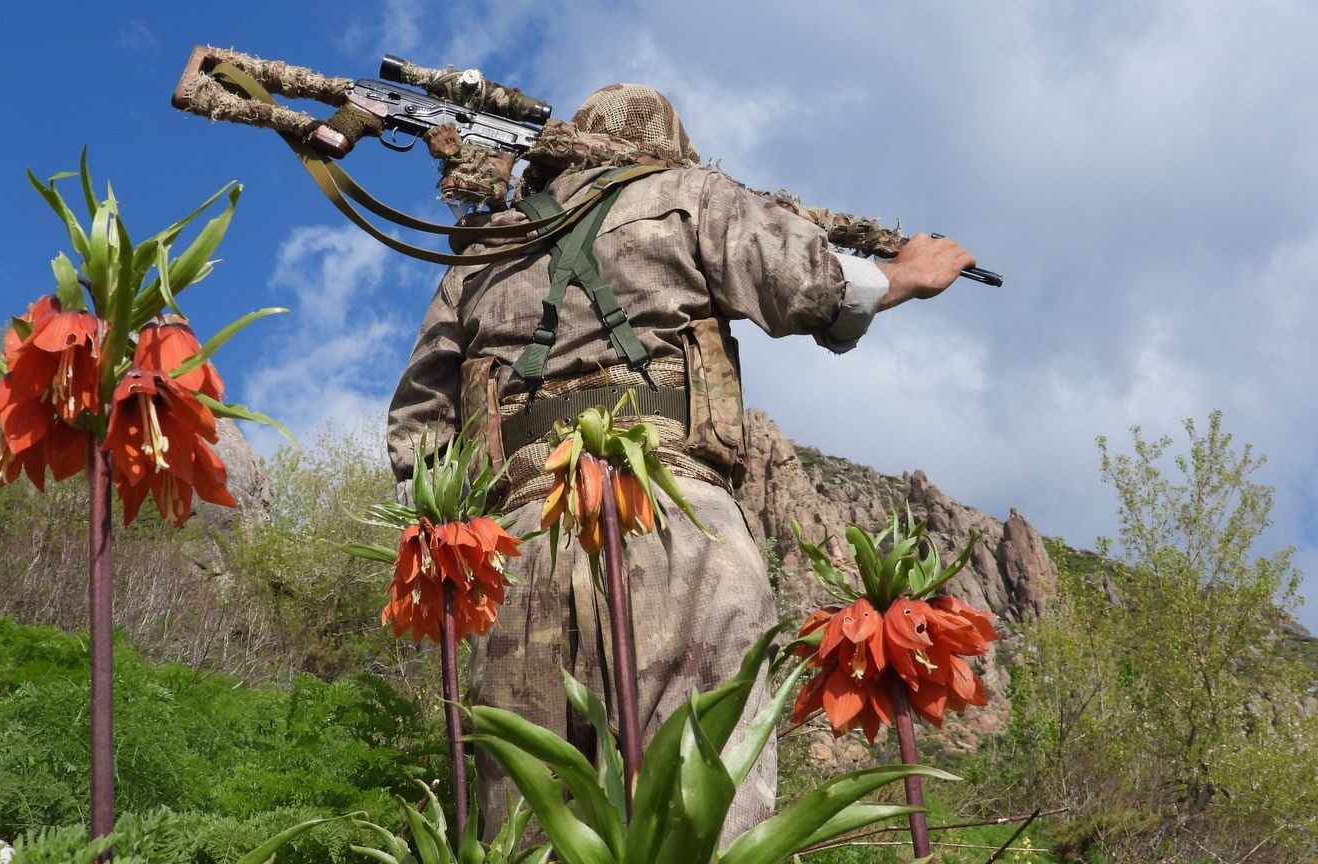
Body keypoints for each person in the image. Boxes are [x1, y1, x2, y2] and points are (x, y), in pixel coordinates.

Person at [386, 83, 976, 840]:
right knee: (701, 798)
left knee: (526, 821)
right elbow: (805, 287)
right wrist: (904, 275)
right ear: (667, 146)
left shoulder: (485, 252)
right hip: (673, 517)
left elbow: (420, 429)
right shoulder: (691, 193)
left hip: (517, 544)